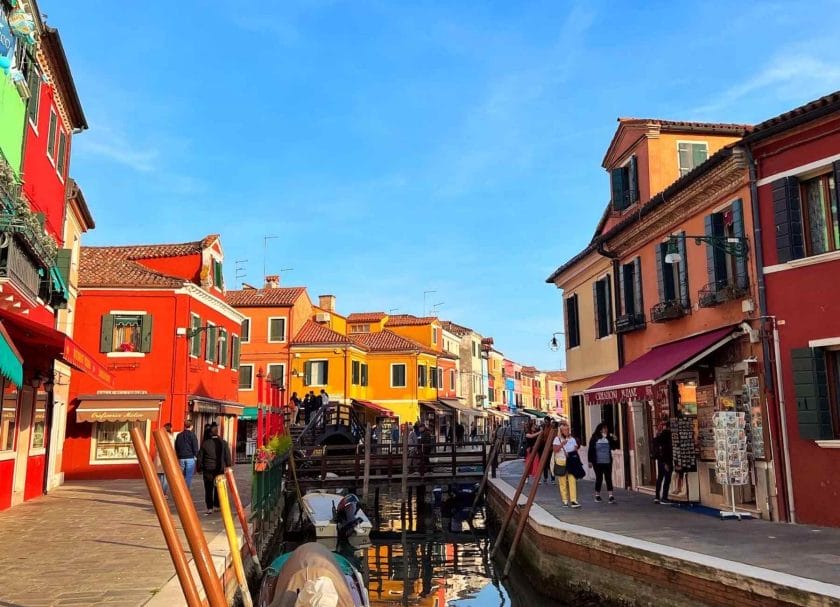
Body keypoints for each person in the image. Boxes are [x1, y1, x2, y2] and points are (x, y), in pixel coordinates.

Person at [197, 422, 232, 515]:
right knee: (218, 487)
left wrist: (199, 468)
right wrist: (228, 465)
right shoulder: (223, 443)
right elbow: (227, 455)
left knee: (208, 488)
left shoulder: (205, 443)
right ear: (217, 432)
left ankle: (209, 507)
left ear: (210, 433)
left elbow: (200, 457)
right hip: (219, 468)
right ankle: (217, 505)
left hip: (208, 469)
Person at [587, 423, 619, 504]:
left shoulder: (609, 437)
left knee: (608, 477)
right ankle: (597, 495)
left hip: (607, 461)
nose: (606, 430)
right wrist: (590, 461)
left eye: (606, 428)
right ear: (600, 429)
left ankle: (610, 496)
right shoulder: (594, 438)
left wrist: (615, 439)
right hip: (597, 462)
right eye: (604, 428)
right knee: (599, 477)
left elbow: (614, 447)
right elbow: (590, 449)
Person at [553, 420, 581, 508]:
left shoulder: (572, 439)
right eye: (565, 430)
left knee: (572, 481)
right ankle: (565, 500)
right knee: (562, 482)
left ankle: (573, 500)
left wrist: (574, 450)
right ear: (561, 431)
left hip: (570, 462)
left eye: (567, 430)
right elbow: (555, 450)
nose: (567, 431)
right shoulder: (557, 439)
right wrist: (562, 444)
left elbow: (576, 450)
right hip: (561, 461)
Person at [653, 420, 673, 504]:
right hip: (665, 460)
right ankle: (664, 497)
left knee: (660, 478)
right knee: (667, 479)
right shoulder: (667, 435)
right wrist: (666, 463)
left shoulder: (659, 436)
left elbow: (655, 445)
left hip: (660, 460)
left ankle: (657, 496)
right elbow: (666, 450)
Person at [175, 419, 200, 486]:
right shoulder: (192, 435)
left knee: (181, 476)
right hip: (190, 457)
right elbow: (195, 446)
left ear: (184, 426)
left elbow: (176, 446)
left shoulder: (179, 435)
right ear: (191, 426)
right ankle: (186, 492)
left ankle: (181, 490)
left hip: (181, 458)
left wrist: (178, 455)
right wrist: (195, 455)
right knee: (188, 476)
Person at [153, 423, 175, 496]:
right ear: (170, 429)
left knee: (159, 477)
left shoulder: (159, 437)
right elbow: (172, 449)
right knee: (165, 478)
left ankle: (159, 493)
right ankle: (163, 493)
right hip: (166, 460)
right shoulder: (170, 438)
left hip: (158, 459)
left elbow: (155, 447)